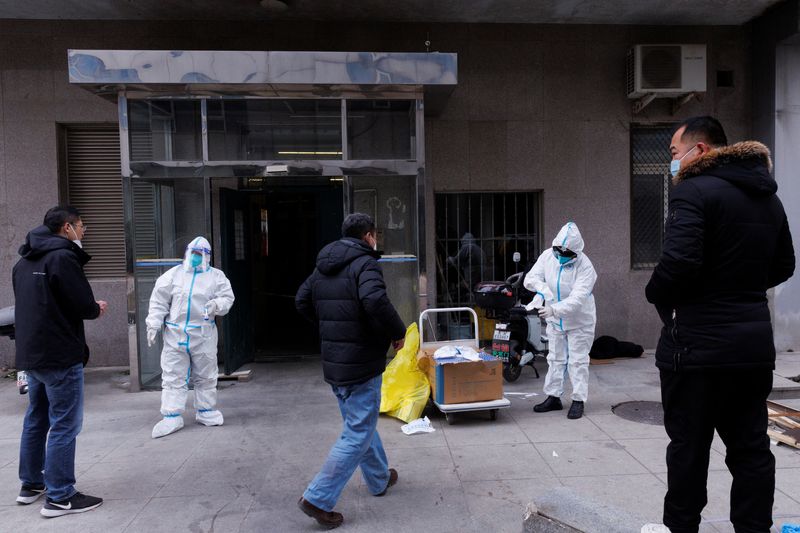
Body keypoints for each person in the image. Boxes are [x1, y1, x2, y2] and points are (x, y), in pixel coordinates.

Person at [644, 116, 794, 533]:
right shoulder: (769, 198)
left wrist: (656, 295)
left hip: (695, 352)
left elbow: (679, 262)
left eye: (675, 153)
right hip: (750, 351)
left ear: (702, 151)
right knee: (751, 452)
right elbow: (785, 264)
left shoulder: (693, 190)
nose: (673, 163)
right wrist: (739, 290)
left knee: (689, 451)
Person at [295, 213, 406, 529]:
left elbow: (302, 301)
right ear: (369, 236)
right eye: (376, 235)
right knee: (358, 430)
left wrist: (332, 327)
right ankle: (317, 498)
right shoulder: (365, 263)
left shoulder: (324, 264)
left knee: (361, 422)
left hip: (335, 361)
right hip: (360, 362)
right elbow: (374, 300)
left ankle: (379, 478)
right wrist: (397, 331)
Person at [12, 205, 107, 517]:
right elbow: (83, 304)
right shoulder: (63, 258)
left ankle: (31, 484)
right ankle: (60, 496)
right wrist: (96, 307)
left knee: (37, 418)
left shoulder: (23, 262)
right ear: (67, 228)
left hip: (32, 354)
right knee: (65, 423)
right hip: (60, 355)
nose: (83, 233)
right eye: (81, 227)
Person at [145, 236, 235, 439]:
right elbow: (159, 301)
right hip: (175, 334)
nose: (195, 257)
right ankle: (172, 415)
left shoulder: (216, 277)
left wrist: (215, 305)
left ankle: (206, 411)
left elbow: (228, 298)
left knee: (206, 375)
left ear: (207, 257)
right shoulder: (173, 275)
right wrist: (153, 323)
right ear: (186, 253)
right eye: (192, 253)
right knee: (172, 375)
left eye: (199, 254)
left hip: (202, 333)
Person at [523, 222, 597, 420]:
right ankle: (553, 397)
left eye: (567, 252)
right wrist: (542, 289)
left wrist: (553, 309)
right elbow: (530, 278)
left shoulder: (585, 266)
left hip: (579, 322)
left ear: (576, 251)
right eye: (559, 250)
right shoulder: (548, 256)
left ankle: (578, 400)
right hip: (555, 321)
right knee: (555, 358)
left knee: (577, 361)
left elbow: (577, 299)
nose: (562, 255)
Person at [447, 232, 486, 296]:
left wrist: (450, 259)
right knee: (475, 286)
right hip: (480, 271)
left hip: (471, 271)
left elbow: (458, 258)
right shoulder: (478, 248)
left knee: (468, 286)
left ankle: (463, 299)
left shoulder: (467, 247)